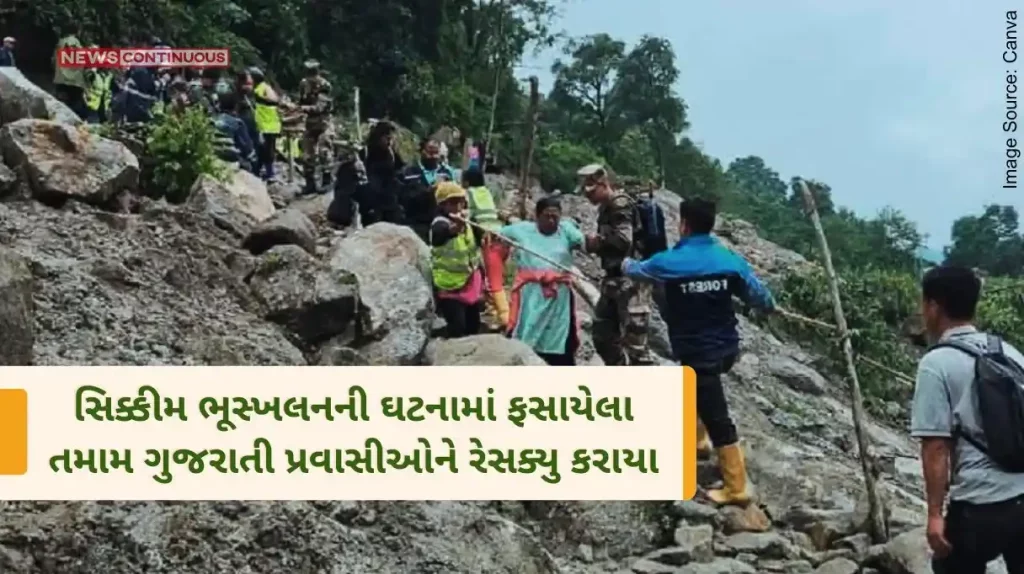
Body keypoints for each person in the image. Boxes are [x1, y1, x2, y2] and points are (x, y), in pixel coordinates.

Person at [621, 197, 775, 505]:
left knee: (718, 417)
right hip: (727, 349)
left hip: (696, 351)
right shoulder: (729, 260)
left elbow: (636, 271)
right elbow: (762, 298)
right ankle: (697, 442)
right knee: (693, 390)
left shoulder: (667, 262)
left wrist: (622, 263)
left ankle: (736, 486)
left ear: (684, 225)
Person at [910, 265, 1024, 574]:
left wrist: (935, 515)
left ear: (934, 306)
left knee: (951, 566)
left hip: (980, 503)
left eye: (923, 303)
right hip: (1022, 492)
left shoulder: (936, 363)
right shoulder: (1009, 353)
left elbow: (935, 447)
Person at [577, 163, 656, 366]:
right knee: (603, 336)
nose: (588, 196)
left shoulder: (620, 204)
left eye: (591, 190)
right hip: (613, 280)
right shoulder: (606, 207)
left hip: (631, 282)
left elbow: (624, 238)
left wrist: (598, 242)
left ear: (603, 184)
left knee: (636, 345)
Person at [500, 197, 585, 365]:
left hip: (558, 296)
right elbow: (499, 233)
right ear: (537, 216)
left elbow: (581, 241)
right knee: (529, 330)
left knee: (558, 337)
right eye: (547, 216)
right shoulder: (522, 230)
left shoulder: (566, 231)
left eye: (556, 216)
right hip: (531, 293)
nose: (552, 220)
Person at [430, 182, 484, 339]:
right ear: (442, 205)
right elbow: (442, 234)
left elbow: (474, 246)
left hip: (469, 281)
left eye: (461, 201)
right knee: (457, 327)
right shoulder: (440, 224)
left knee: (473, 324)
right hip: (450, 286)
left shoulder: (466, 222)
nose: (458, 206)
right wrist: (455, 228)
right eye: (453, 202)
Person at [330, 120, 405, 227]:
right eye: (387, 138)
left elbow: (400, 171)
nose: (389, 142)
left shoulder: (392, 155)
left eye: (391, 138)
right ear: (379, 137)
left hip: (389, 200)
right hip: (370, 202)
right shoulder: (365, 153)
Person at [463, 167, 510, 327]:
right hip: (502, 236)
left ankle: (505, 318)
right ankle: (493, 311)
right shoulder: (486, 192)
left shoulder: (469, 194)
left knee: (493, 281)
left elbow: (466, 214)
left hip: (489, 239)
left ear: (467, 181)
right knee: (492, 276)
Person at [400, 138, 458, 241]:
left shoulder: (446, 173)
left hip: (441, 223)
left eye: (436, 153)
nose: (433, 156)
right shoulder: (409, 172)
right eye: (430, 152)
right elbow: (405, 198)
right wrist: (428, 192)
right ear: (421, 151)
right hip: (416, 223)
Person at [297, 59, 334, 194]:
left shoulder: (325, 85)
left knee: (324, 149)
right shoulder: (303, 84)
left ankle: (327, 179)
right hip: (310, 121)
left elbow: (320, 107)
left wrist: (302, 108)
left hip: (324, 120)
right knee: (307, 153)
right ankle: (310, 183)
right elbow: (300, 100)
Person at [249, 67, 282, 182]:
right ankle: (260, 172)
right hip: (265, 124)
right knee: (262, 150)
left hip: (267, 125)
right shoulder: (260, 87)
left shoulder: (262, 88)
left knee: (266, 150)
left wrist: (261, 98)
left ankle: (269, 173)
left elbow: (274, 100)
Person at [211, 92, 257, 171]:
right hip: (231, 160)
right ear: (235, 107)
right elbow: (246, 146)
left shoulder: (212, 120)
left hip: (213, 157)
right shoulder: (237, 123)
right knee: (249, 166)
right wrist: (253, 158)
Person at [53, 31, 90, 119]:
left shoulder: (60, 43)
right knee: (76, 108)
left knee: (61, 106)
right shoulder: (78, 45)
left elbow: (53, 61)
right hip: (75, 82)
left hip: (60, 80)